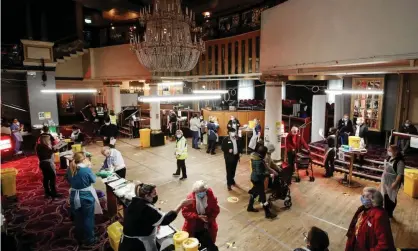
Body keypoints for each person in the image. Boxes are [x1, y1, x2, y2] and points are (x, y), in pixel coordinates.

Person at [119, 183, 193, 251]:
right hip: (138, 246)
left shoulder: (134, 203)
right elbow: (166, 219)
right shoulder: (146, 209)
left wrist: (153, 225)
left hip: (125, 243)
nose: (155, 196)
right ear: (146, 196)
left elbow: (141, 222)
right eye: (154, 194)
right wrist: (181, 205)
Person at [67, 152, 102, 245]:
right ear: (84, 159)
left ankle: (80, 236)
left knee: (78, 217)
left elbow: (67, 179)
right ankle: (90, 239)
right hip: (86, 196)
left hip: (74, 195)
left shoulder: (70, 168)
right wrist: (89, 168)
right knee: (88, 218)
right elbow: (93, 180)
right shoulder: (86, 169)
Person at [345, 187, 395, 251]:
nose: (362, 197)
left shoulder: (379, 217)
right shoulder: (362, 209)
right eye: (362, 195)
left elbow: (384, 244)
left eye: (365, 196)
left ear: (373, 200)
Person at [182, 180, 220, 251]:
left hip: (207, 226)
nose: (201, 193)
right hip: (193, 226)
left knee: (209, 245)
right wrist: (198, 216)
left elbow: (216, 210)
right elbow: (185, 213)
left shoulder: (210, 196)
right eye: (199, 192)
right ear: (195, 191)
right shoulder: (190, 198)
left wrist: (209, 219)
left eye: (203, 191)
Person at [247, 145, 277, 219]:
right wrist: (269, 175)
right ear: (263, 153)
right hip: (257, 180)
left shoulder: (255, 158)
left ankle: (250, 207)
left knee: (254, 194)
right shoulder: (259, 161)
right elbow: (259, 173)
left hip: (253, 178)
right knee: (263, 198)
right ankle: (268, 213)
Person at [380, 145, 405, 218]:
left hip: (393, 181)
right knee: (385, 196)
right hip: (386, 180)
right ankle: (385, 211)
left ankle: (389, 213)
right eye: (388, 150)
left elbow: (400, 174)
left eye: (390, 151)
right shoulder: (390, 157)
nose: (388, 152)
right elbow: (388, 166)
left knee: (391, 197)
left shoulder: (400, 162)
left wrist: (395, 183)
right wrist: (382, 167)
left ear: (396, 152)